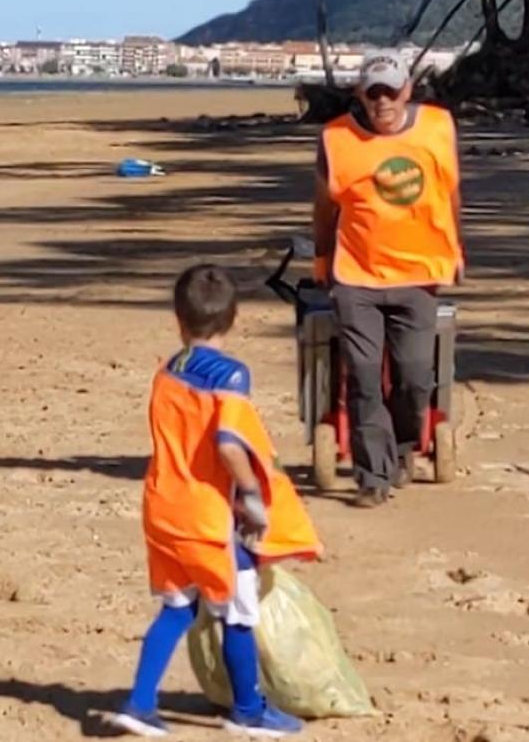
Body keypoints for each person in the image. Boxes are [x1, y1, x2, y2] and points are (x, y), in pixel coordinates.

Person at [108, 265, 323, 738]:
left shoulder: (167, 370)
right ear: (234, 318)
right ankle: (248, 710)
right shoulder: (232, 376)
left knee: (178, 608)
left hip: (163, 505)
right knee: (238, 611)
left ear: (178, 320)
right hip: (209, 516)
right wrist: (251, 495)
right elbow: (228, 443)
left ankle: (140, 702)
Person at [312, 49, 465, 507]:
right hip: (356, 275)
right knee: (361, 374)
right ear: (361, 94)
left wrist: (456, 247)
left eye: (391, 91)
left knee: (415, 375)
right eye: (373, 92)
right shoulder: (336, 139)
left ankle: (401, 449)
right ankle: (372, 476)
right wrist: (321, 259)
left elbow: (451, 193)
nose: (383, 101)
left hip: (418, 272)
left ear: (407, 89)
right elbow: (324, 208)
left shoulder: (438, 128)